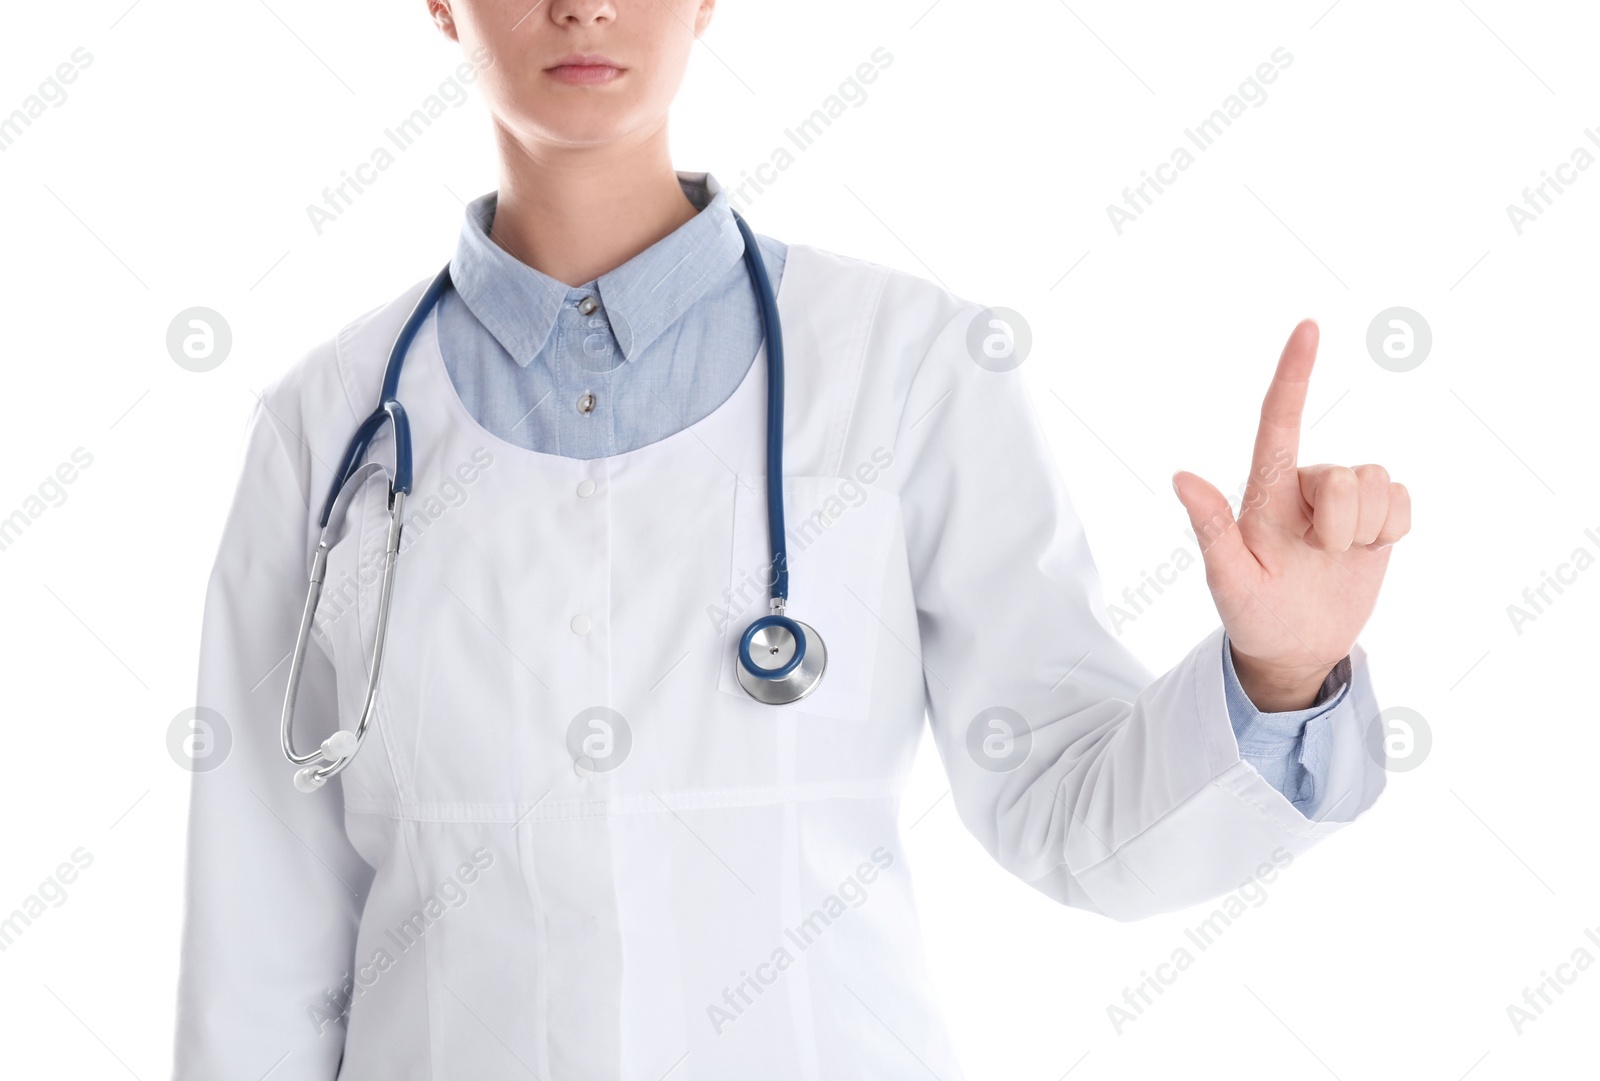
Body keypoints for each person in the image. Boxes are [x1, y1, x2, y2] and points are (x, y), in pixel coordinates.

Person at [172, 1, 1412, 1077]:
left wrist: (1280, 677)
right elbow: (261, 942)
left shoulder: (912, 366)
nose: (585, 5)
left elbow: (1064, 808)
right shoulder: (323, 432)